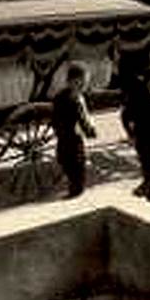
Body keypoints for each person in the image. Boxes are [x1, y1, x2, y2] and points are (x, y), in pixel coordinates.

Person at [51, 62, 97, 198]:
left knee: (67, 164)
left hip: (62, 139)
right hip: (73, 139)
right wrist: (91, 132)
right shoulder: (76, 98)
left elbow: (54, 120)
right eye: (83, 81)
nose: (85, 85)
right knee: (77, 170)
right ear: (77, 81)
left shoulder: (59, 96)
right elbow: (83, 120)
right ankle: (75, 194)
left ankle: (73, 190)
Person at [120, 68, 150, 202]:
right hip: (144, 137)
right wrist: (130, 134)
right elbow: (124, 116)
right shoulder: (138, 95)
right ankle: (140, 195)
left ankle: (148, 196)